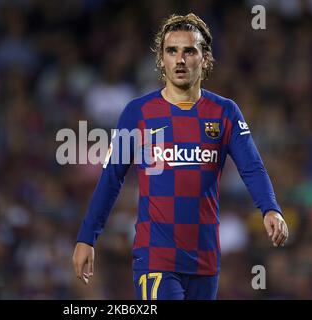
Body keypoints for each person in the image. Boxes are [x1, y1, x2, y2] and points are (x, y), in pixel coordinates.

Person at [72, 13, 289, 300]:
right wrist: (87, 237)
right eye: (171, 51)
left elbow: (252, 167)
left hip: (205, 259)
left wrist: (270, 208)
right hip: (156, 258)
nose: (180, 59)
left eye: (189, 50)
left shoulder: (224, 112)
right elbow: (111, 178)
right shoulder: (138, 113)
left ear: (206, 58)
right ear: (161, 59)